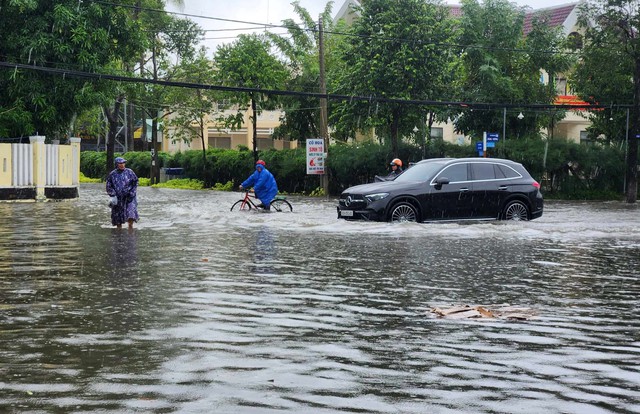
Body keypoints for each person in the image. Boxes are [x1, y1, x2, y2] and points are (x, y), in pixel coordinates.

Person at [106, 157, 139, 229]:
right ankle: (119, 231)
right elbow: (108, 186)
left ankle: (130, 228)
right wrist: (113, 194)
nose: (122, 165)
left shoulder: (129, 172)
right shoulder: (112, 174)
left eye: (123, 163)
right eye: (120, 163)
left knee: (131, 213)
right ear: (116, 164)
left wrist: (132, 192)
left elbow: (135, 182)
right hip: (118, 198)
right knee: (118, 217)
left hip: (129, 197)